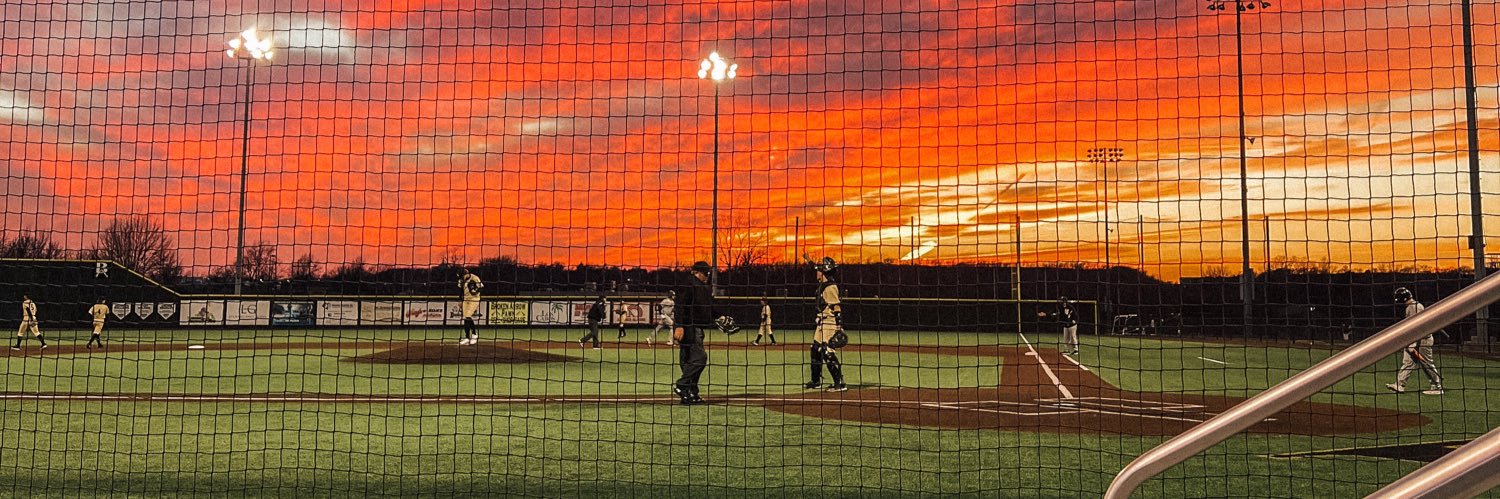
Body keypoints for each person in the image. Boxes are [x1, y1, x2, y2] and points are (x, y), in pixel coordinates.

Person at [672, 261, 729, 405]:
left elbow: (709, 305)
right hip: (689, 327)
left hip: (695, 327)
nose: (707, 276)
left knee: (688, 361)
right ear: (697, 272)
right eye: (706, 273)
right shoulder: (689, 284)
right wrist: (679, 326)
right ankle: (682, 385)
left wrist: (719, 316)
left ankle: (691, 393)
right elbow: (680, 306)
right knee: (699, 358)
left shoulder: (702, 286)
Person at [1386, 287, 1443, 395]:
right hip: (1415, 340)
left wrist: (1412, 343)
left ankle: (1437, 387)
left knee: (1427, 364)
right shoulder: (1415, 306)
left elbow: (1417, 328)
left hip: (1422, 341)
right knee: (1408, 363)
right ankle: (1400, 385)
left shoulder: (1413, 307)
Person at [805, 257, 847, 392]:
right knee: (815, 349)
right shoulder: (823, 283)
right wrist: (808, 260)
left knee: (827, 351)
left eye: (819, 270)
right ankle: (816, 381)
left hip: (829, 323)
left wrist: (839, 326)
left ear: (824, 272)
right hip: (821, 323)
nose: (817, 272)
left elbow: (837, 307)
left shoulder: (830, 287)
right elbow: (815, 267)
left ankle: (840, 383)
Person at [457, 269, 484, 345]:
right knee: (465, 317)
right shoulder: (461, 280)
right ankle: (467, 338)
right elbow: (460, 290)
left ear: (467, 274)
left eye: (462, 276)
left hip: (474, 299)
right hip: (466, 299)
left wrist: (476, 290)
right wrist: (459, 300)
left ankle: (474, 335)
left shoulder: (474, 278)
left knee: (468, 316)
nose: (462, 278)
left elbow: (481, 288)